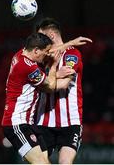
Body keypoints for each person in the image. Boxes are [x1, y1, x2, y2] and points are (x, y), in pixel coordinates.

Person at [1, 32, 75, 164]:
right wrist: (53, 66)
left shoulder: (20, 54)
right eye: (45, 52)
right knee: (41, 163)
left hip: (29, 123)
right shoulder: (27, 67)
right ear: (36, 50)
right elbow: (51, 86)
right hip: (16, 124)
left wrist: (71, 43)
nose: (48, 54)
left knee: (45, 161)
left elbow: (47, 50)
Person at [34, 18, 92, 164]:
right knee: (38, 162)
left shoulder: (72, 54)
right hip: (44, 122)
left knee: (65, 163)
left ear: (52, 36)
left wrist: (44, 81)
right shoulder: (42, 57)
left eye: (42, 36)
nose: (38, 41)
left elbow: (63, 84)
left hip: (70, 122)